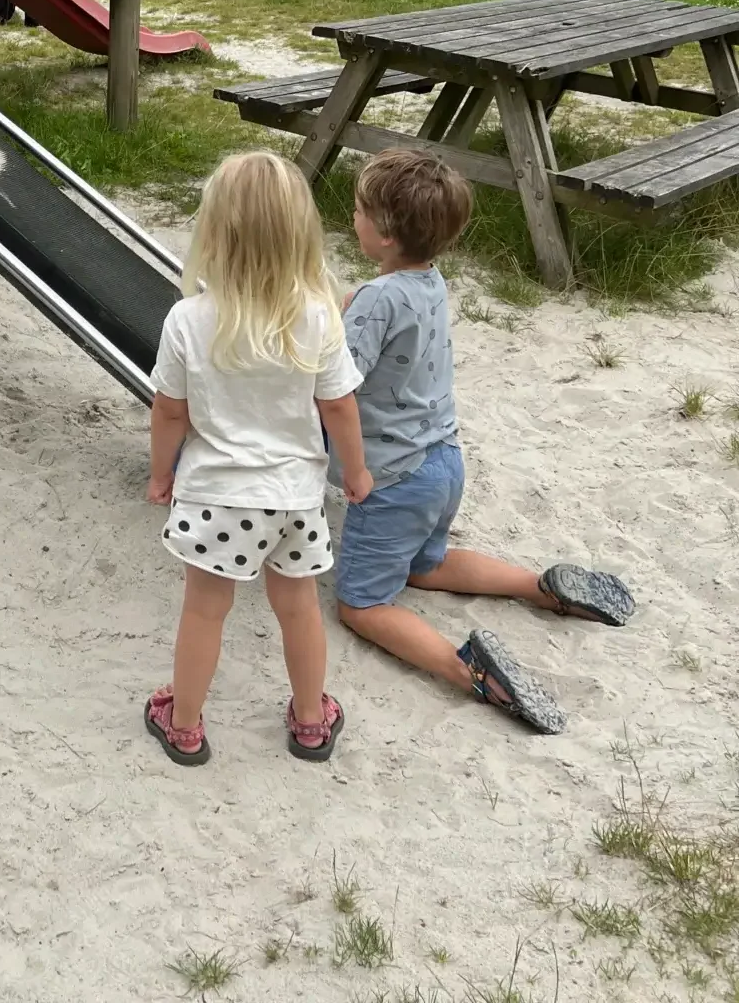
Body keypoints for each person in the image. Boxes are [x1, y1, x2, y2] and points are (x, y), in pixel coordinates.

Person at [333, 148, 635, 734]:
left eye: (360, 211)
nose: (354, 219)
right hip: (443, 464)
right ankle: (541, 587)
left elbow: (338, 381)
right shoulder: (429, 283)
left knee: (362, 603)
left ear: (387, 233)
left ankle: (469, 670)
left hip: (392, 478)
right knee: (427, 564)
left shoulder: (377, 299)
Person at [143, 151, 372, 767]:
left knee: (204, 610)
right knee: (298, 607)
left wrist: (161, 472)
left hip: (217, 495)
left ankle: (185, 725)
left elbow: (170, 411)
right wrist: (355, 471)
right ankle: (309, 719)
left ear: (213, 232)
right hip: (296, 498)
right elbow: (340, 408)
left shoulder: (189, 319)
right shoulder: (318, 316)